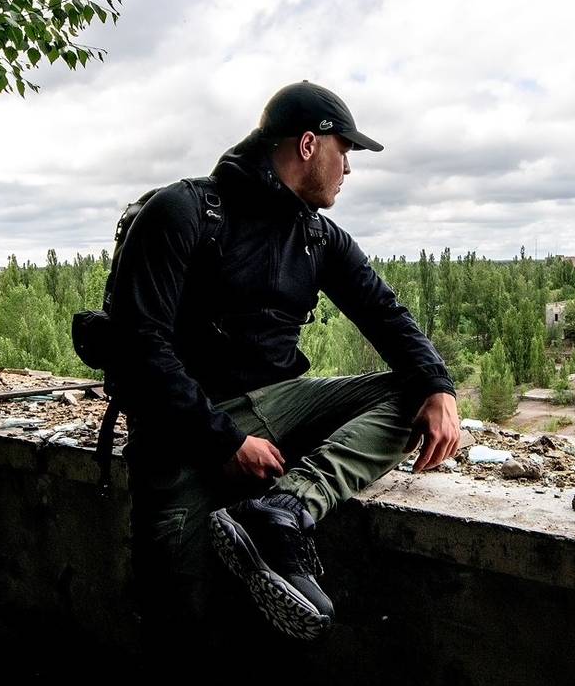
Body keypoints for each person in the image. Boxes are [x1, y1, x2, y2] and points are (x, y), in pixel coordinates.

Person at [108, 81, 460, 656]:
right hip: (182, 433)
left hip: (278, 406)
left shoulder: (317, 236)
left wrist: (438, 386)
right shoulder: (183, 211)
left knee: (410, 392)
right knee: (177, 626)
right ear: (306, 144)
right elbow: (140, 350)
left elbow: (386, 314)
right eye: (343, 150)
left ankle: (286, 508)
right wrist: (225, 442)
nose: (348, 167)